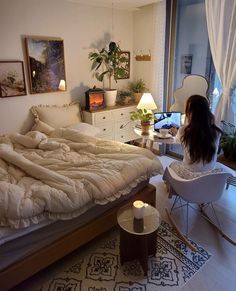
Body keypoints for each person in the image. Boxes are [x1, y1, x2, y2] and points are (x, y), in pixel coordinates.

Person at [166, 95, 223, 178]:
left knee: (171, 166)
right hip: (209, 175)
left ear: (191, 113)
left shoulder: (184, 130)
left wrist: (175, 132)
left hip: (190, 176)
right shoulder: (217, 131)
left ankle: (171, 186)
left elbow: (176, 141)